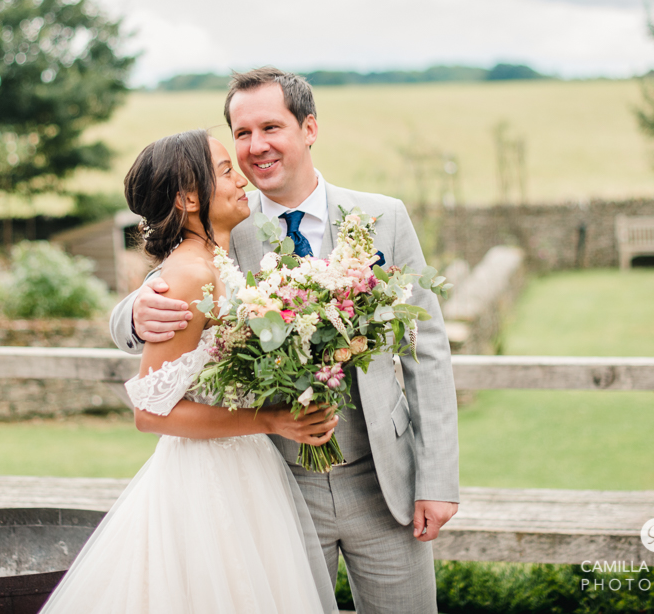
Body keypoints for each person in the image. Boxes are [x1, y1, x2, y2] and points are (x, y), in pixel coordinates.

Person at [111, 68, 460, 614]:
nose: (255, 147)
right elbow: (171, 294)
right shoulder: (226, 226)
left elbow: (429, 351)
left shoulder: (383, 218)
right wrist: (134, 312)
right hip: (274, 486)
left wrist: (437, 478)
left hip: (383, 480)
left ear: (309, 128)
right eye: (241, 134)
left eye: (270, 127)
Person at [41, 130, 339, 614]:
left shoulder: (218, 262)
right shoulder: (188, 275)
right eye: (224, 170)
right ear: (188, 196)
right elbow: (150, 413)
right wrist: (269, 420)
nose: (240, 178)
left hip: (246, 468)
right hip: (204, 483)